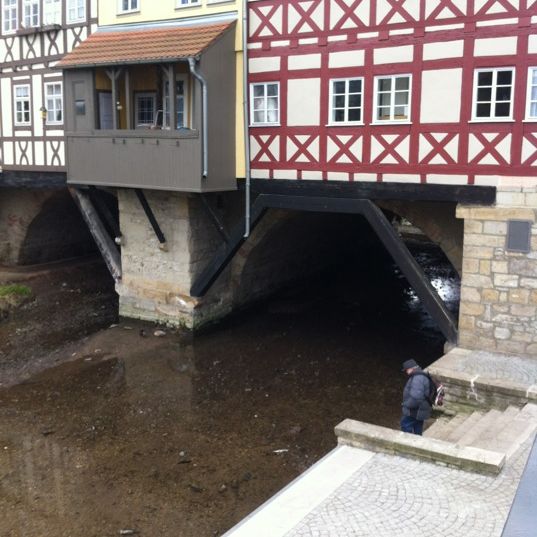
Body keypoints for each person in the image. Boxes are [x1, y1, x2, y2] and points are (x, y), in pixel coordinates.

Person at [400, 359, 432, 435]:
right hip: (421, 409)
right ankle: (417, 440)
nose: (407, 373)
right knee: (417, 426)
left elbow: (416, 397)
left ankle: (408, 442)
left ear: (411, 368)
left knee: (405, 425)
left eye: (406, 370)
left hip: (415, 410)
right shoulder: (421, 375)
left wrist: (407, 405)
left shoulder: (418, 378)